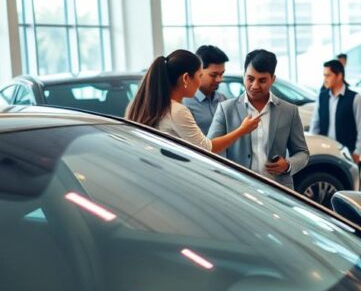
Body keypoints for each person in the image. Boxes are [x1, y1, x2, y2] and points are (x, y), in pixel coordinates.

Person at [208, 49, 310, 189]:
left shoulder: (289, 111)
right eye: (250, 79)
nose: (255, 86)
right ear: (244, 75)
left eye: (262, 80)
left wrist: (287, 165)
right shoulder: (226, 109)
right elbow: (209, 148)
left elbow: (302, 153)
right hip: (238, 189)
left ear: (273, 79)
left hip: (278, 190)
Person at [125, 49, 259, 153]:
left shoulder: (152, 105)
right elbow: (206, 149)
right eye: (199, 76)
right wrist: (242, 130)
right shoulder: (177, 110)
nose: (199, 82)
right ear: (185, 78)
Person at [309, 59, 361, 165]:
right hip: (325, 151)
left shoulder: (355, 98)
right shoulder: (321, 96)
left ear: (339, 76)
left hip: (347, 153)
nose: (325, 79)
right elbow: (315, 125)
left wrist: (357, 153)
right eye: (324, 75)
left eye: (328, 75)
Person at [183, 44, 228, 133]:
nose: (219, 79)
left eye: (222, 74)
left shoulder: (223, 99)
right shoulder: (185, 103)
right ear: (198, 71)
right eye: (213, 75)